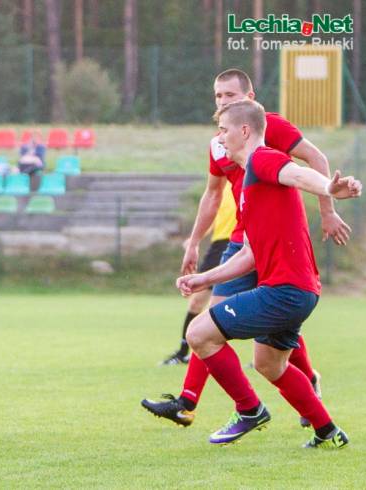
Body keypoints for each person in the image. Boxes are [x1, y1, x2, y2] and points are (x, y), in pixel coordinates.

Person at [142, 69, 351, 428]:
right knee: (222, 321)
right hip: (245, 238)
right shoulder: (218, 143)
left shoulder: (268, 129)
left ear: (249, 99)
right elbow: (212, 194)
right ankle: (188, 402)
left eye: (230, 95)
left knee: (247, 324)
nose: (223, 101)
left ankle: (288, 396)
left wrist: (328, 209)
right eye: (218, 96)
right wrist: (194, 242)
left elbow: (309, 165)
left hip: (273, 237)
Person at [160, 183, 235, 365]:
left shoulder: (249, 179)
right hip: (219, 246)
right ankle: (183, 353)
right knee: (197, 302)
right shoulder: (222, 185)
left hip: (243, 243)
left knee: (265, 297)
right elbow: (211, 213)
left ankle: (269, 354)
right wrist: (195, 239)